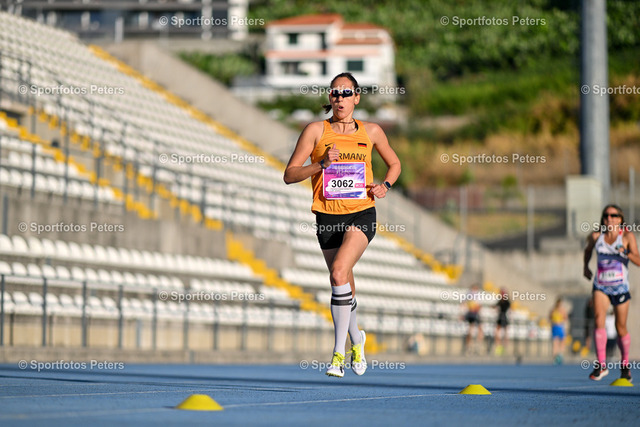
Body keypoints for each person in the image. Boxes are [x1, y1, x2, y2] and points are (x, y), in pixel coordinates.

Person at [283, 72, 401, 377]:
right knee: (342, 280)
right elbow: (290, 174)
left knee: (337, 272)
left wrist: (385, 185)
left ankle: (338, 354)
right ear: (330, 97)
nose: (340, 98)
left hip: (361, 213)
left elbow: (395, 163)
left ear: (357, 97)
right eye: (335, 93)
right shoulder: (315, 131)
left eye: (346, 93)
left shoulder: (372, 131)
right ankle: (357, 339)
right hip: (327, 216)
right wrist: (321, 164)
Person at [583, 204, 639, 381]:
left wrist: (626, 252)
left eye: (614, 215)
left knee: (620, 327)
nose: (609, 218)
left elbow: (638, 260)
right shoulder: (596, 236)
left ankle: (625, 365)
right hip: (601, 285)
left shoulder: (627, 236)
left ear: (620, 219)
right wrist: (585, 267)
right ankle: (601, 364)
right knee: (598, 319)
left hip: (620, 287)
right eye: (606, 215)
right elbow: (587, 250)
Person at [464, 284, 484, 355]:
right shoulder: (474, 294)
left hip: (471, 313)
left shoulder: (469, 293)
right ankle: (475, 345)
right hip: (474, 313)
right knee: (477, 329)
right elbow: (478, 306)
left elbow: (464, 304)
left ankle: (470, 346)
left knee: (471, 329)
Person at [550, 297, 567, 365]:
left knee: (562, 342)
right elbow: (550, 317)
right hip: (556, 326)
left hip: (560, 326)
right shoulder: (554, 310)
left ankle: (560, 355)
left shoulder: (561, 310)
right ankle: (555, 357)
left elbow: (565, 317)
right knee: (555, 342)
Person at [494, 288, 510, 356]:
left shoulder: (505, 302)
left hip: (502, 317)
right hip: (502, 317)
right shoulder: (502, 301)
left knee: (504, 333)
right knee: (500, 333)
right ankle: (500, 347)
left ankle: (504, 347)